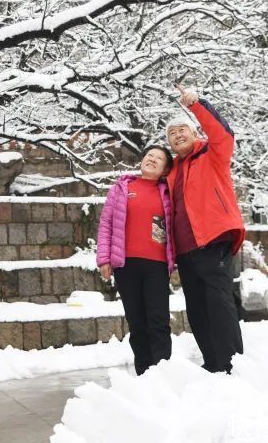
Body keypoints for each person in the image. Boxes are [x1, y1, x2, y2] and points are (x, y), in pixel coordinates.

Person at [166, 84, 245, 374]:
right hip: (186, 251)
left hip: (214, 240)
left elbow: (223, 132)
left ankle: (233, 363)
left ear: (194, 132)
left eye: (182, 130)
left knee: (218, 302)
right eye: (172, 134)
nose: (177, 136)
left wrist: (196, 104)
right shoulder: (172, 169)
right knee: (197, 309)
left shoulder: (213, 153)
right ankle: (212, 362)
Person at [96, 146, 175, 375]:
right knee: (137, 322)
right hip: (126, 264)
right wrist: (104, 259)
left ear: (165, 169)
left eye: (159, 158)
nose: (152, 159)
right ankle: (144, 373)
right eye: (150, 155)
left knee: (158, 321)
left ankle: (163, 373)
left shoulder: (168, 193)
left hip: (157, 265)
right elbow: (106, 224)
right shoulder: (122, 188)